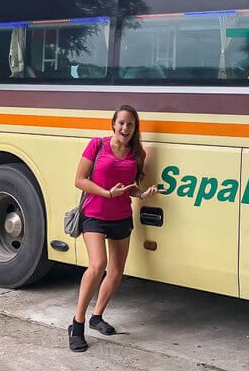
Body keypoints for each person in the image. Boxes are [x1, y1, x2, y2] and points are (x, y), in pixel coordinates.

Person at [68, 105, 158, 352]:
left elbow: (132, 187)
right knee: (98, 265)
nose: (125, 128)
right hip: (94, 214)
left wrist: (143, 193)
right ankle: (77, 323)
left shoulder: (137, 154)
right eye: (121, 123)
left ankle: (97, 316)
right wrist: (107, 193)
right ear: (113, 124)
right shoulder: (97, 145)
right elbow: (80, 180)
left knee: (116, 271)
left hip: (120, 216)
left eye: (130, 124)